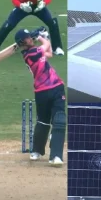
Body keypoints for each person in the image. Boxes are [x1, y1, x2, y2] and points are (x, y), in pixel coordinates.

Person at [15, 28, 66, 167]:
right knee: (43, 122)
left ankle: (56, 156)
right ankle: (37, 150)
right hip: (41, 91)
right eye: (27, 37)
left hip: (57, 87)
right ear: (22, 42)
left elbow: (49, 53)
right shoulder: (29, 54)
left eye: (29, 36)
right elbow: (46, 46)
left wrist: (42, 38)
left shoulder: (37, 52)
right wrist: (42, 37)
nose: (30, 38)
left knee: (59, 120)